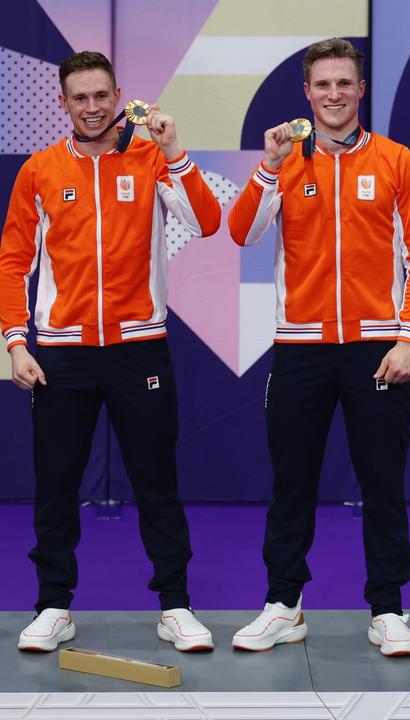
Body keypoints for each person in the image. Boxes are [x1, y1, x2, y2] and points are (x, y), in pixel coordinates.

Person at [0, 51, 221, 652]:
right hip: (61, 355)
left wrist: (174, 150)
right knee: (55, 484)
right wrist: (16, 343)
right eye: (80, 98)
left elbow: (208, 221)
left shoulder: (150, 157)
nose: (92, 108)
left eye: (102, 96)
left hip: (139, 349)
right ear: (63, 103)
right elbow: (13, 259)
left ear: (118, 94)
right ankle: (53, 606)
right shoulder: (40, 171)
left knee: (157, 482)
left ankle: (175, 605)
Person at [227, 38, 410, 656]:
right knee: (292, 481)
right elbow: (242, 232)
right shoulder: (285, 162)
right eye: (323, 85)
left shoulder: (397, 161)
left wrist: (408, 338)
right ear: (307, 94)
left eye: (344, 84)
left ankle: (389, 610)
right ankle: (283, 605)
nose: (334, 95)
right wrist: (267, 165)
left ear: (361, 90)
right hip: (299, 348)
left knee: (383, 481)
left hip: (378, 348)